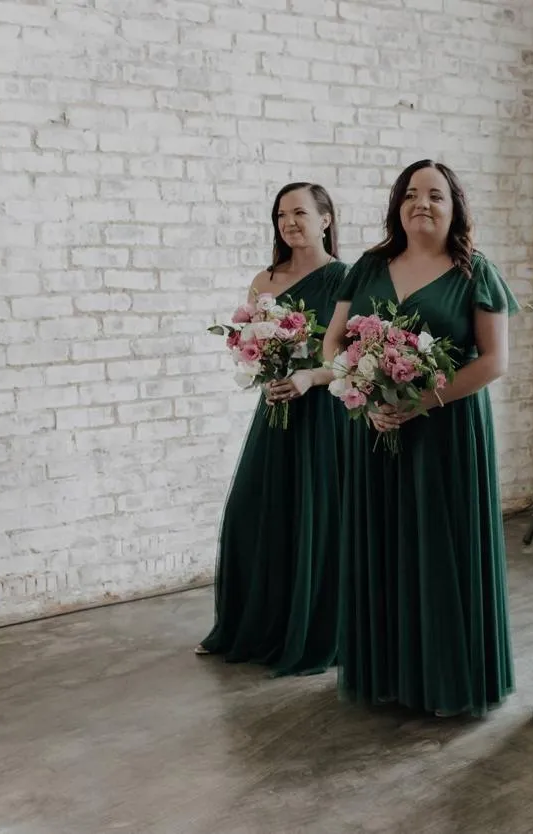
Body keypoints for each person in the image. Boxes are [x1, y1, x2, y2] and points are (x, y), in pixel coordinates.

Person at [323, 160, 517, 716]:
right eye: (410, 194)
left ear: (455, 206)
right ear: (396, 205)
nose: (421, 204)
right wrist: (365, 388)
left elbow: (495, 360)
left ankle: (446, 678)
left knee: (440, 547)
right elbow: (331, 344)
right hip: (374, 427)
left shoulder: (475, 271)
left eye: (435, 194)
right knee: (382, 542)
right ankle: (389, 674)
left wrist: (419, 401)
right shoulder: (367, 266)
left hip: (447, 432)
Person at [196, 182, 347, 677]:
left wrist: (311, 377)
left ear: (326, 219)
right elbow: (250, 344)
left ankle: (315, 629)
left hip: (324, 414)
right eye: (281, 214)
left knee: (315, 521)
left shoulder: (344, 278)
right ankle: (251, 624)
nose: (289, 222)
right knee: (254, 513)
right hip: (277, 410)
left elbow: (350, 358)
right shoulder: (265, 279)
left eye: (300, 212)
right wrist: (264, 371)